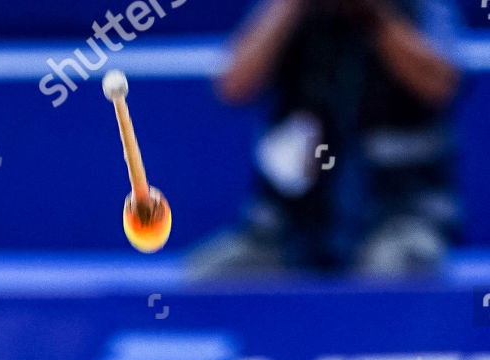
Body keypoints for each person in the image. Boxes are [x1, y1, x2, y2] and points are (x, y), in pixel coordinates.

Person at [187, 0, 464, 278]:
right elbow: (233, 87)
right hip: (290, 224)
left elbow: (439, 86)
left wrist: (375, 16)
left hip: (401, 215)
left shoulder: (422, 5)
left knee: (395, 270)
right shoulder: (285, 9)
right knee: (210, 274)